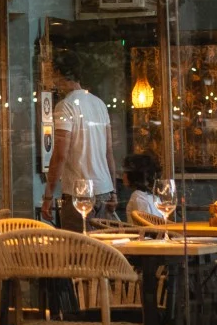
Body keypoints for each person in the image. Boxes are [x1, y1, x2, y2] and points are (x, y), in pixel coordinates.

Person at [40, 65, 117, 228]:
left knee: (78, 251)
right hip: (103, 190)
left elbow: (60, 154)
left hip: (78, 194)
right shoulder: (100, 104)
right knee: (102, 251)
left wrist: (48, 197)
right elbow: (109, 151)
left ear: (60, 74)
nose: (53, 82)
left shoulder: (65, 105)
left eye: (53, 75)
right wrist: (113, 191)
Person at [124, 152, 167, 226]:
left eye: (125, 171)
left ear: (134, 175)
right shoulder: (154, 197)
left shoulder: (137, 197)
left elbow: (146, 227)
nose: (123, 175)